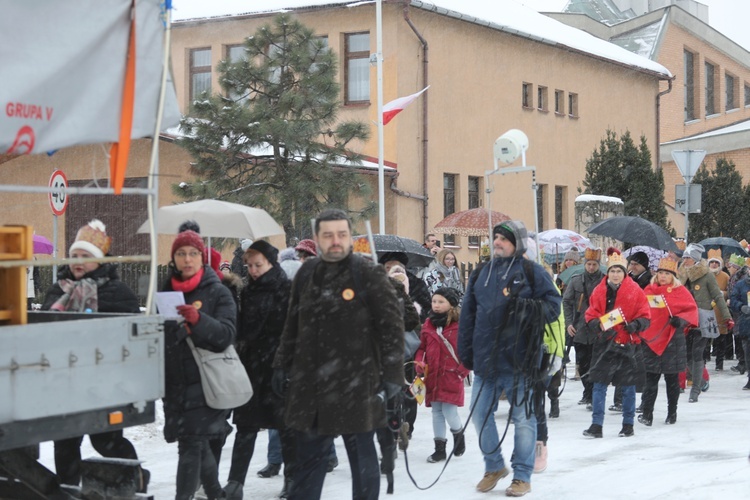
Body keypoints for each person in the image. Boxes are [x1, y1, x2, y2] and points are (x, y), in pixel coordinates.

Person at [272, 208, 405, 500]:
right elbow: (292, 323)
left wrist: (393, 376)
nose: (335, 241)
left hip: (357, 386)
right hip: (312, 387)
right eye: (328, 235)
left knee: (363, 462)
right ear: (317, 238)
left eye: (342, 234)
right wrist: (281, 363)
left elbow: (392, 330)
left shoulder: (367, 273)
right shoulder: (307, 273)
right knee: (308, 465)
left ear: (349, 237)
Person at [43, 220, 148, 491]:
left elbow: (130, 337)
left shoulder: (117, 292)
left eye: (86, 256)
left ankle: (133, 479)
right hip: (65, 381)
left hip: (104, 383)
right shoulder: (58, 290)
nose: (78, 261)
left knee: (105, 440)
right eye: (75, 255)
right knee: (65, 440)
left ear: (100, 260)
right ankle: (68, 489)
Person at [458, 220, 561, 497]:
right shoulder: (481, 272)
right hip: (485, 360)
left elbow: (553, 306)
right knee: (479, 415)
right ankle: (494, 466)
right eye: (496, 239)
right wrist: (465, 352)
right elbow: (467, 315)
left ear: (516, 242)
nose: (498, 243)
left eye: (503, 239)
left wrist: (527, 309)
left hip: (520, 361)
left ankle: (522, 475)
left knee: (524, 419)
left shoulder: (532, 271)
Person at [161, 230, 237, 500]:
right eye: (181, 253)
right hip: (176, 383)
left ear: (202, 258)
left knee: (190, 446)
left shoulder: (218, 292)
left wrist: (197, 320)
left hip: (208, 381)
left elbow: (226, 336)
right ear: (173, 258)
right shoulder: (164, 291)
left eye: (193, 253)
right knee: (197, 443)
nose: (187, 259)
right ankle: (217, 495)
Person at [224, 241, 294, 500]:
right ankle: (235, 482)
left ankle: (292, 480)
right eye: (249, 265)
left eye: (258, 265)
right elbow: (242, 329)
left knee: (286, 428)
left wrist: (284, 366)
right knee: (246, 427)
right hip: (252, 368)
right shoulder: (248, 291)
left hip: (278, 368)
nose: (253, 270)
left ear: (271, 262)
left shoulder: (285, 288)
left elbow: (291, 331)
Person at [583, 252, 650, 439]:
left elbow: (645, 316)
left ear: (624, 273)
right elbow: (591, 313)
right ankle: (597, 425)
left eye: (619, 271)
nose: (615, 274)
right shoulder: (599, 290)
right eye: (612, 270)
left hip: (627, 343)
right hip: (604, 343)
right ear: (608, 272)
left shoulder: (635, 290)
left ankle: (628, 425)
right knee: (599, 385)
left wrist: (635, 325)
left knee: (627, 387)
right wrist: (596, 324)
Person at [638, 258, 698, 426]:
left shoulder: (681, 291)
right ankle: (647, 414)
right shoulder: (648, 291)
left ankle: (672, 412)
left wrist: (680, 320)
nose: (663, 276)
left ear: (673, 277)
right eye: (660, 273)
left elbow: (691, 311)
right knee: (651, 379)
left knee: (672, 380)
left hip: (673, 340)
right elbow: (641, 311)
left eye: (666, 274)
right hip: (652, 340)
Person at [414, 287, 469, 463]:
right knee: (437, 411)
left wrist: (463, 370)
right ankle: (440, 449)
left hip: (452, 375)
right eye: (434, 301)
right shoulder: (428, 324)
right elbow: (422, 347)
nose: (436, 305)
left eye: (441, 302)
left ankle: (458, 434)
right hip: (433, 375)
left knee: (449, 411)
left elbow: (468, 351)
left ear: (451, 305)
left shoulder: (460, 326)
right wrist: (419, 363)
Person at [677, 243, 733, 402]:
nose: (685, 260)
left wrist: (727, 317)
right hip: (685, 319)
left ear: (694, 259)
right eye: (685, 257)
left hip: (703, 319)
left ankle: (695, 390)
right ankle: (701, 380)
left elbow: (717, 296)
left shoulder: (706, 275)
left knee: (697, 354)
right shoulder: (681, 275)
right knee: (686, 354)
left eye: (687, 257)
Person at [563, 248, 604, 408]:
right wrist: (568, 323)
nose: (591, 267)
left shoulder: (604, 281)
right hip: (579, 328)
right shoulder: (576, 280)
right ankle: (587, 391)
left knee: (596, 363)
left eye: (594, 264)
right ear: (585, 264)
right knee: (583, 362)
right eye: (589, 264)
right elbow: (566, 302)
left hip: (598, 329)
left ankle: (593, 394)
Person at [707, 249, 730, 370]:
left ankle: (719, 363)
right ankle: (704, 359)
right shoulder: (705, 275)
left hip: (720, 311)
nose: (714, 265)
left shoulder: (725, 276)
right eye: (712, 262)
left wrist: (723, 293)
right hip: (707, 310)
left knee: (721, 339)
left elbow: (730, 292)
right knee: (705, 337)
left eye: (716, 262)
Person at [729, 264, 750, 390]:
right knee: (747, 352)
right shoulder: (741, 284)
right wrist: (741, 306)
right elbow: (733, 298)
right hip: (746, 322)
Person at [727, 254, 748, 373]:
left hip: (742, 312)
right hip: (738, 310)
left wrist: (736, 302)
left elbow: (737, 294)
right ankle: (742, 361)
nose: (729, 267)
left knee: (741, 336)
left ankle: (743, 362)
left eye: (731, 266)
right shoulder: (734, 277)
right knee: (739, 336)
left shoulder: (739, 279)